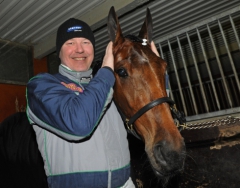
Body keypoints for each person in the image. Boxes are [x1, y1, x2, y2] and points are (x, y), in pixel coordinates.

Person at [27, 17, 159, 188]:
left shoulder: (108, 86)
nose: (80, 49)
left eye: (85, 42)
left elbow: (146, 112)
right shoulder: (41, 86)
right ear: (59, 51)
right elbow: (78, 124)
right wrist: (106, 72)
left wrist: (155, 73)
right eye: (70, 43)